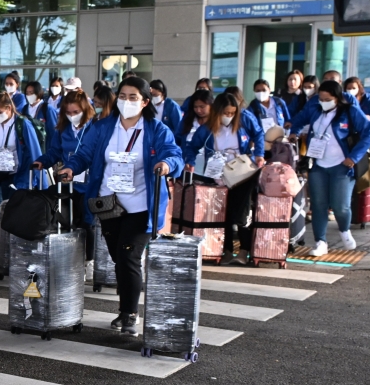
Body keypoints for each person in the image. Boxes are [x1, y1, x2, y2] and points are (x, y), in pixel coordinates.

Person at [58, 77, 182, 336]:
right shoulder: (102, 127)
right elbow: (84, 155)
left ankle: (129, 313)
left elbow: (173, 154)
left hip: (140, 207)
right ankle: (126, 306)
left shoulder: (156, 130)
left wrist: (167, 165)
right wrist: (71, 168)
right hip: (108, 205)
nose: (126, 101)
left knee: (128, 257)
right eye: (123, 96)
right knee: (118, 258)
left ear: (145, 101)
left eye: (133, 97)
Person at [290, 79, 370, 256]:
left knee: (341, 206)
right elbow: (298, 119)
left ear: (337, 98)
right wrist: (293, 132)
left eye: (327, 98)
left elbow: (369, 133)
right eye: (320, 98)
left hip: (342, 166)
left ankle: (344, 230)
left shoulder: (350, 111)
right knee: (318, 205)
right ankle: (320, 242)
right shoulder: (315, 109)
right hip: (318, 165)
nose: (323, 101)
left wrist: (353, 157)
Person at [184, 93, 266, 262]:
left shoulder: (245, 120)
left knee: (242, 212)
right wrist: (190, 161)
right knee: (223, 213)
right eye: (225, 113)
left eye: (232, 113)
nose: (229, 116)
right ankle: (226, 250)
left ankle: (244, 251)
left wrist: (259, 154)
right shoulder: (206, 128)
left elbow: (259, 134)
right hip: (218, 175)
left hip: (243, 173)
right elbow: (192, 147)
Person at [37, 90, 98, 256]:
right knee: (66, 219)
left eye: (76, 112)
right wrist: (43, 161)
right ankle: (69, 256)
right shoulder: (63, 128)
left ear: (85, 110)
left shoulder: (95, 127)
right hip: (67, 181)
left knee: (87, 221)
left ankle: (89, 259)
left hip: (88, 182)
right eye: (69, 113)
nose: (72, 116)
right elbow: (55, 151)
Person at [179, 89, 214, 174]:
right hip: (187, 163)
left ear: (211, 105)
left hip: (210, 166)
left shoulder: (216, 123)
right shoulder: (187, 120)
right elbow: (177, 138)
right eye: (195, 107)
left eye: (202, 107)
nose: (198, 110)